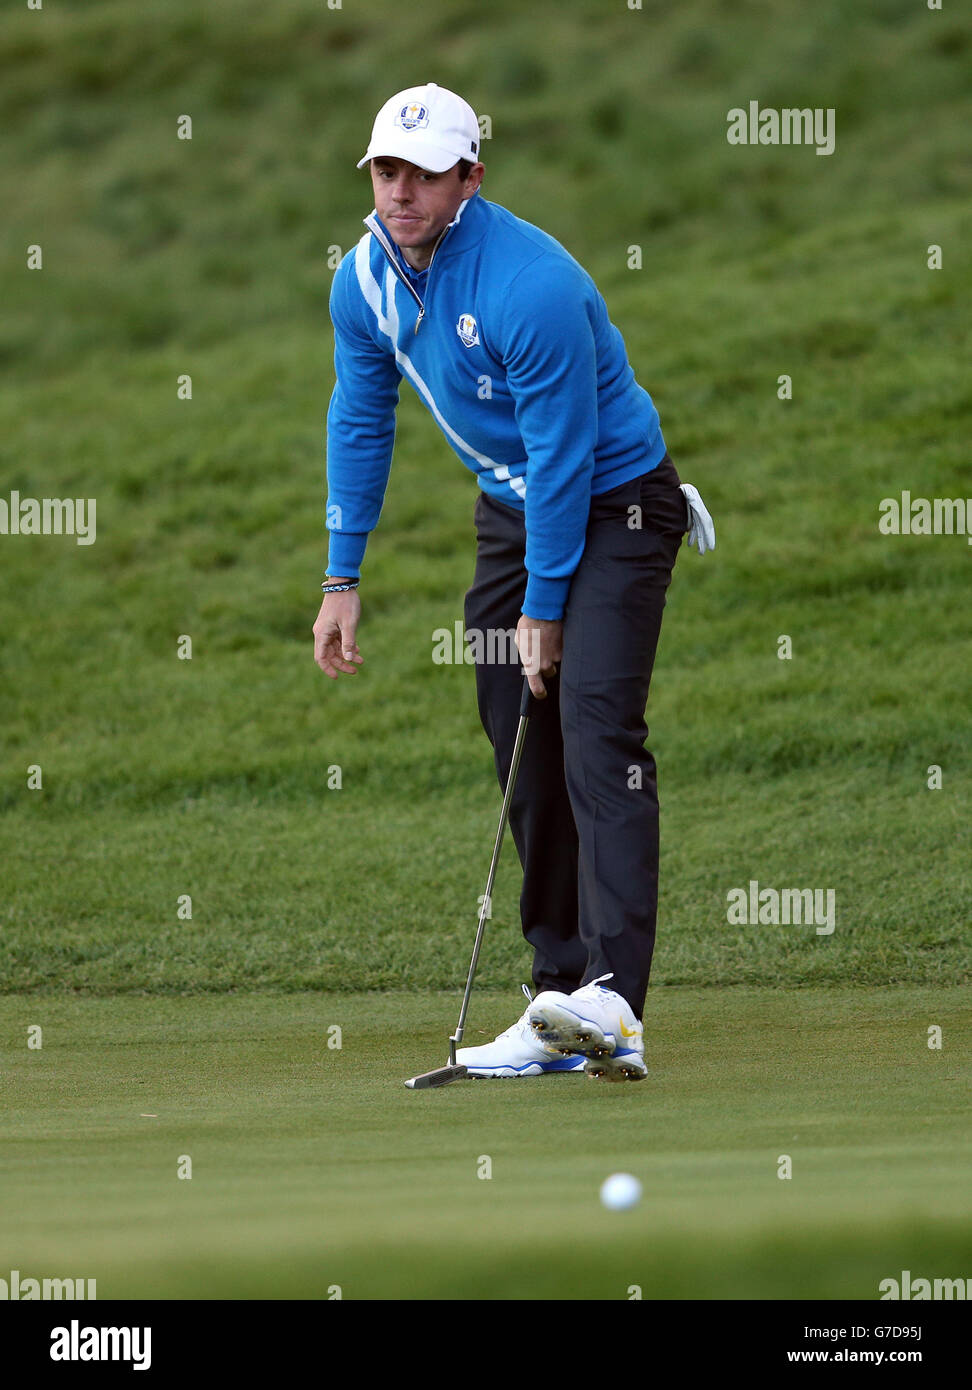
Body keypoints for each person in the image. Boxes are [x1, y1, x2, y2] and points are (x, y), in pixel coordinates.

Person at [313, 82, 714, 1082]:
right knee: (515, 718)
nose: (402, 191)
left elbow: (566, 452)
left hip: (616, 500)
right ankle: (559, 995)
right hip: (513, 508)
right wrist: (341, 573)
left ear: (469, 180)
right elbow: (361, 418)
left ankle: (615, 1002)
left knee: (595, 725)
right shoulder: (362, 281)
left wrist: (546, 607)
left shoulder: (528, 283)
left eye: (425, 174)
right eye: (387, 171)